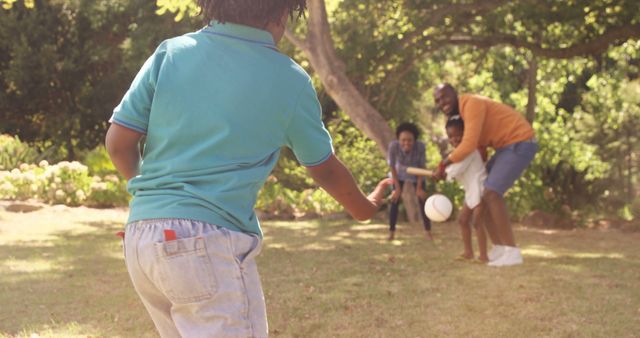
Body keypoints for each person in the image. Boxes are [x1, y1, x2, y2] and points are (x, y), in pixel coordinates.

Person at [105, 1, 392, 336]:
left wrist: (157, 202)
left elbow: (118, 143)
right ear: (282, 13)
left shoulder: (171, 53)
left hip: (142, 241)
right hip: (206, 242)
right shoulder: (289, 80)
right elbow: (325, 169)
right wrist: (366, 207)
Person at [433, 83, 538, 267]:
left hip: (520, 142)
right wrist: (450, 171)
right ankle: (499, 248)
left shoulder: (471, 104)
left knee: (491, 192)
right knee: (484, 192)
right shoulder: (463, 117)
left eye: (444, 97)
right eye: (437, 101)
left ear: (455, 93)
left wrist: (444, 164)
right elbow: (479, 151)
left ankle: (512, 252)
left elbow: (469, 144)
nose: (442, 103)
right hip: (505, 147)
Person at [444, 116, 488, 263]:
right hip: (471, 191)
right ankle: (468, 252)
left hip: (481, 188)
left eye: (458, 135)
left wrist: (442, 172)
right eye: (451, 136)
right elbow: (454, 169)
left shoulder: (469, 150)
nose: (454, 139)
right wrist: (442, 172)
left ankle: (483, 256)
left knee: (477, 222)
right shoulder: (457, 154)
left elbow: (456, 170)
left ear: (466, 134)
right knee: (463, 220)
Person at [387, 122, 432, 241]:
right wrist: (397, 188)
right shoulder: (393, 146)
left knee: (422, 200)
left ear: (415, 140)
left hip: (417, 172)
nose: (406, 143)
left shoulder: (421, 146)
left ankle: (428, 232)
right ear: (398, 139)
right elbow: (392, 166)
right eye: (403, 140)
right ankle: (391, 232)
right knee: (395, 201)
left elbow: (422, 167)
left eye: (410, 140)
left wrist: (419, 188)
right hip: (399, 172)